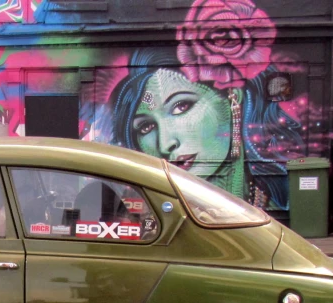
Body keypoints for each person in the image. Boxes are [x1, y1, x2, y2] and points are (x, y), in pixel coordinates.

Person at [107, 50, 304, 212]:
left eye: (181, 106)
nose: (165, 143)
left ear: (232, 99)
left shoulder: (281, 208)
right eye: (146, 127)